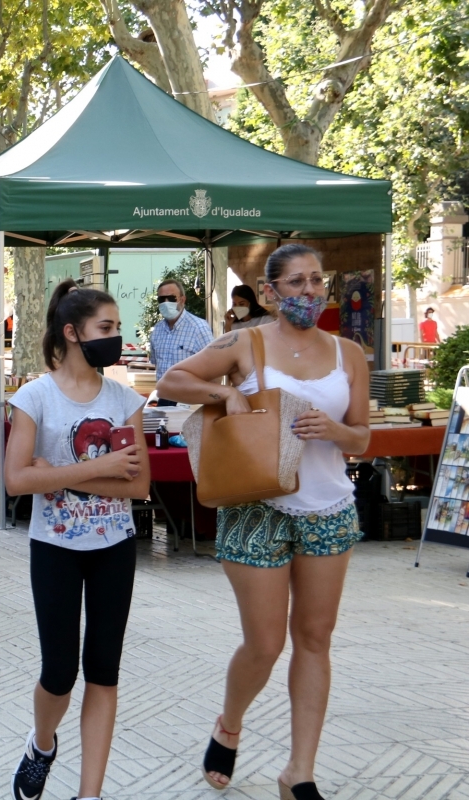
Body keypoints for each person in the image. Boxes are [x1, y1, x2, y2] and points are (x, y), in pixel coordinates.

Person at [157, 244, 370, 800]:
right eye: (296, 282)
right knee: (265, 643)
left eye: (317, 281)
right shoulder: (245, 342)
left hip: (328, 509)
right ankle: (230, 723)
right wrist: (225, 392)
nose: (310, 291)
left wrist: (334, 431)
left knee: (315, 638)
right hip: (257, 506)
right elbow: (172, 382)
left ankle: (299, 772)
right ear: (271, 291)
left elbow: (363, 438)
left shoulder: (350, 354)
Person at [4, 282, 149, 800]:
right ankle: (42, 743)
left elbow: (138, 483)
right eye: (106, 329)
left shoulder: (125, 399)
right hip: (55, 549)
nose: (116, 338)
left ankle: (91, 794)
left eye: (117, 328)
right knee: (60, 673)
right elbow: (16, 479)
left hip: (116, 546)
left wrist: (64, 473)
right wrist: (101, 468)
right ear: (72, 333)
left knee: (104, 672)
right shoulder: (34, 397)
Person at [148, 278, 212, 407]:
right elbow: (156, 364)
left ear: (182, 300)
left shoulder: (199, 328)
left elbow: (214, 366)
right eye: (161, 299)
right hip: (164, 399)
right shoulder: (157, 330)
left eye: (171, 298)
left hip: (191, 400)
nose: (166, 303)